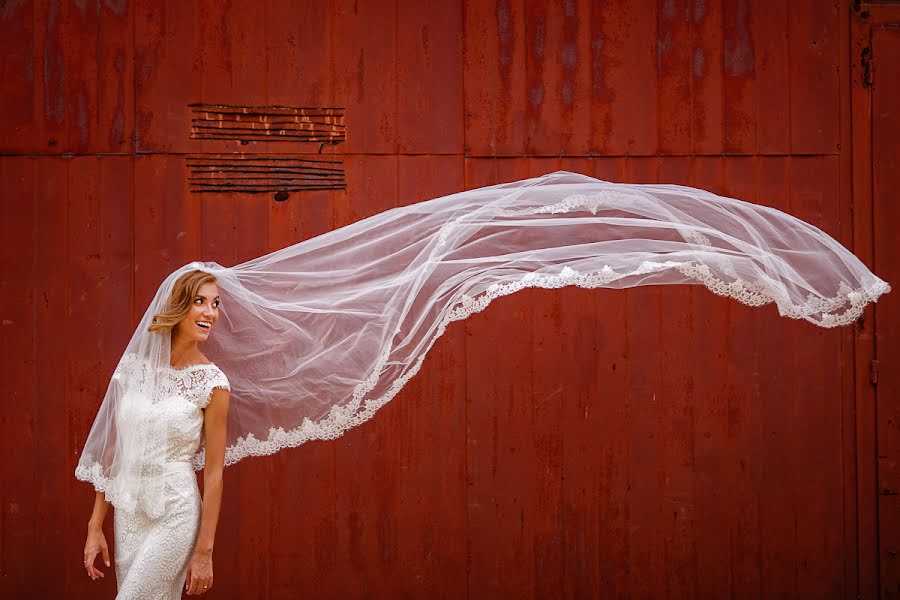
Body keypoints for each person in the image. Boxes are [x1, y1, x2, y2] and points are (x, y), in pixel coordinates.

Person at [81, 270, 230, 597]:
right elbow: (113, 451)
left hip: (175, 511)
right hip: (129, 512)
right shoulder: (133, 369)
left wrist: (205, 551)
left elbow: (216, 474)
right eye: (200, 302)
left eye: (215, 304)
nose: (210, 312)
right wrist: (95, 526)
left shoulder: (213, 384)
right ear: (178, 306)